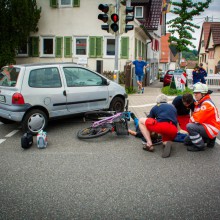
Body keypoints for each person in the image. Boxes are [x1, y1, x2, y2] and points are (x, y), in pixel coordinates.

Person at [184, 82, 220, 151]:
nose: (195, 94)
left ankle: (200, 146)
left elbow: (197, 118)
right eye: (194, 93)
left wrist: (191, 122)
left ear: (203, 94)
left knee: (190, 126)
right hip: (206, 125)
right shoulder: (201, 102)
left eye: (197, 93)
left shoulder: (206, 104)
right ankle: (209, 139)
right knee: (186, 141)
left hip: (211, 127)